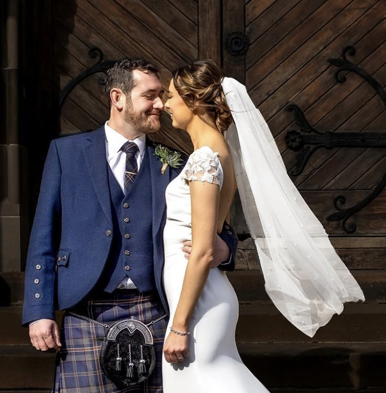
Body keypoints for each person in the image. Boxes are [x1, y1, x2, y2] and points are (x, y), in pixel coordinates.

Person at [22, 58, 237, 393]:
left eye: (163, 96)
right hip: (85, 311)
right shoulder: (67, 153)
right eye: (150, 95)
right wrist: (39, 310)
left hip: (155, 312)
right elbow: (43, 236)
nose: (161, 104)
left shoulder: (176, 161)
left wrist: (225, 248)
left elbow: (212, 225)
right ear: (118, 98)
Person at [161, 60, 364, 392]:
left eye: (171, 96)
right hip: (200, 296)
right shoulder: (217, 153)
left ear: (194, 100)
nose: (166, 104)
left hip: (198, 301)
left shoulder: (204, 159)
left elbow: (201, 250)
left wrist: (180, 325)